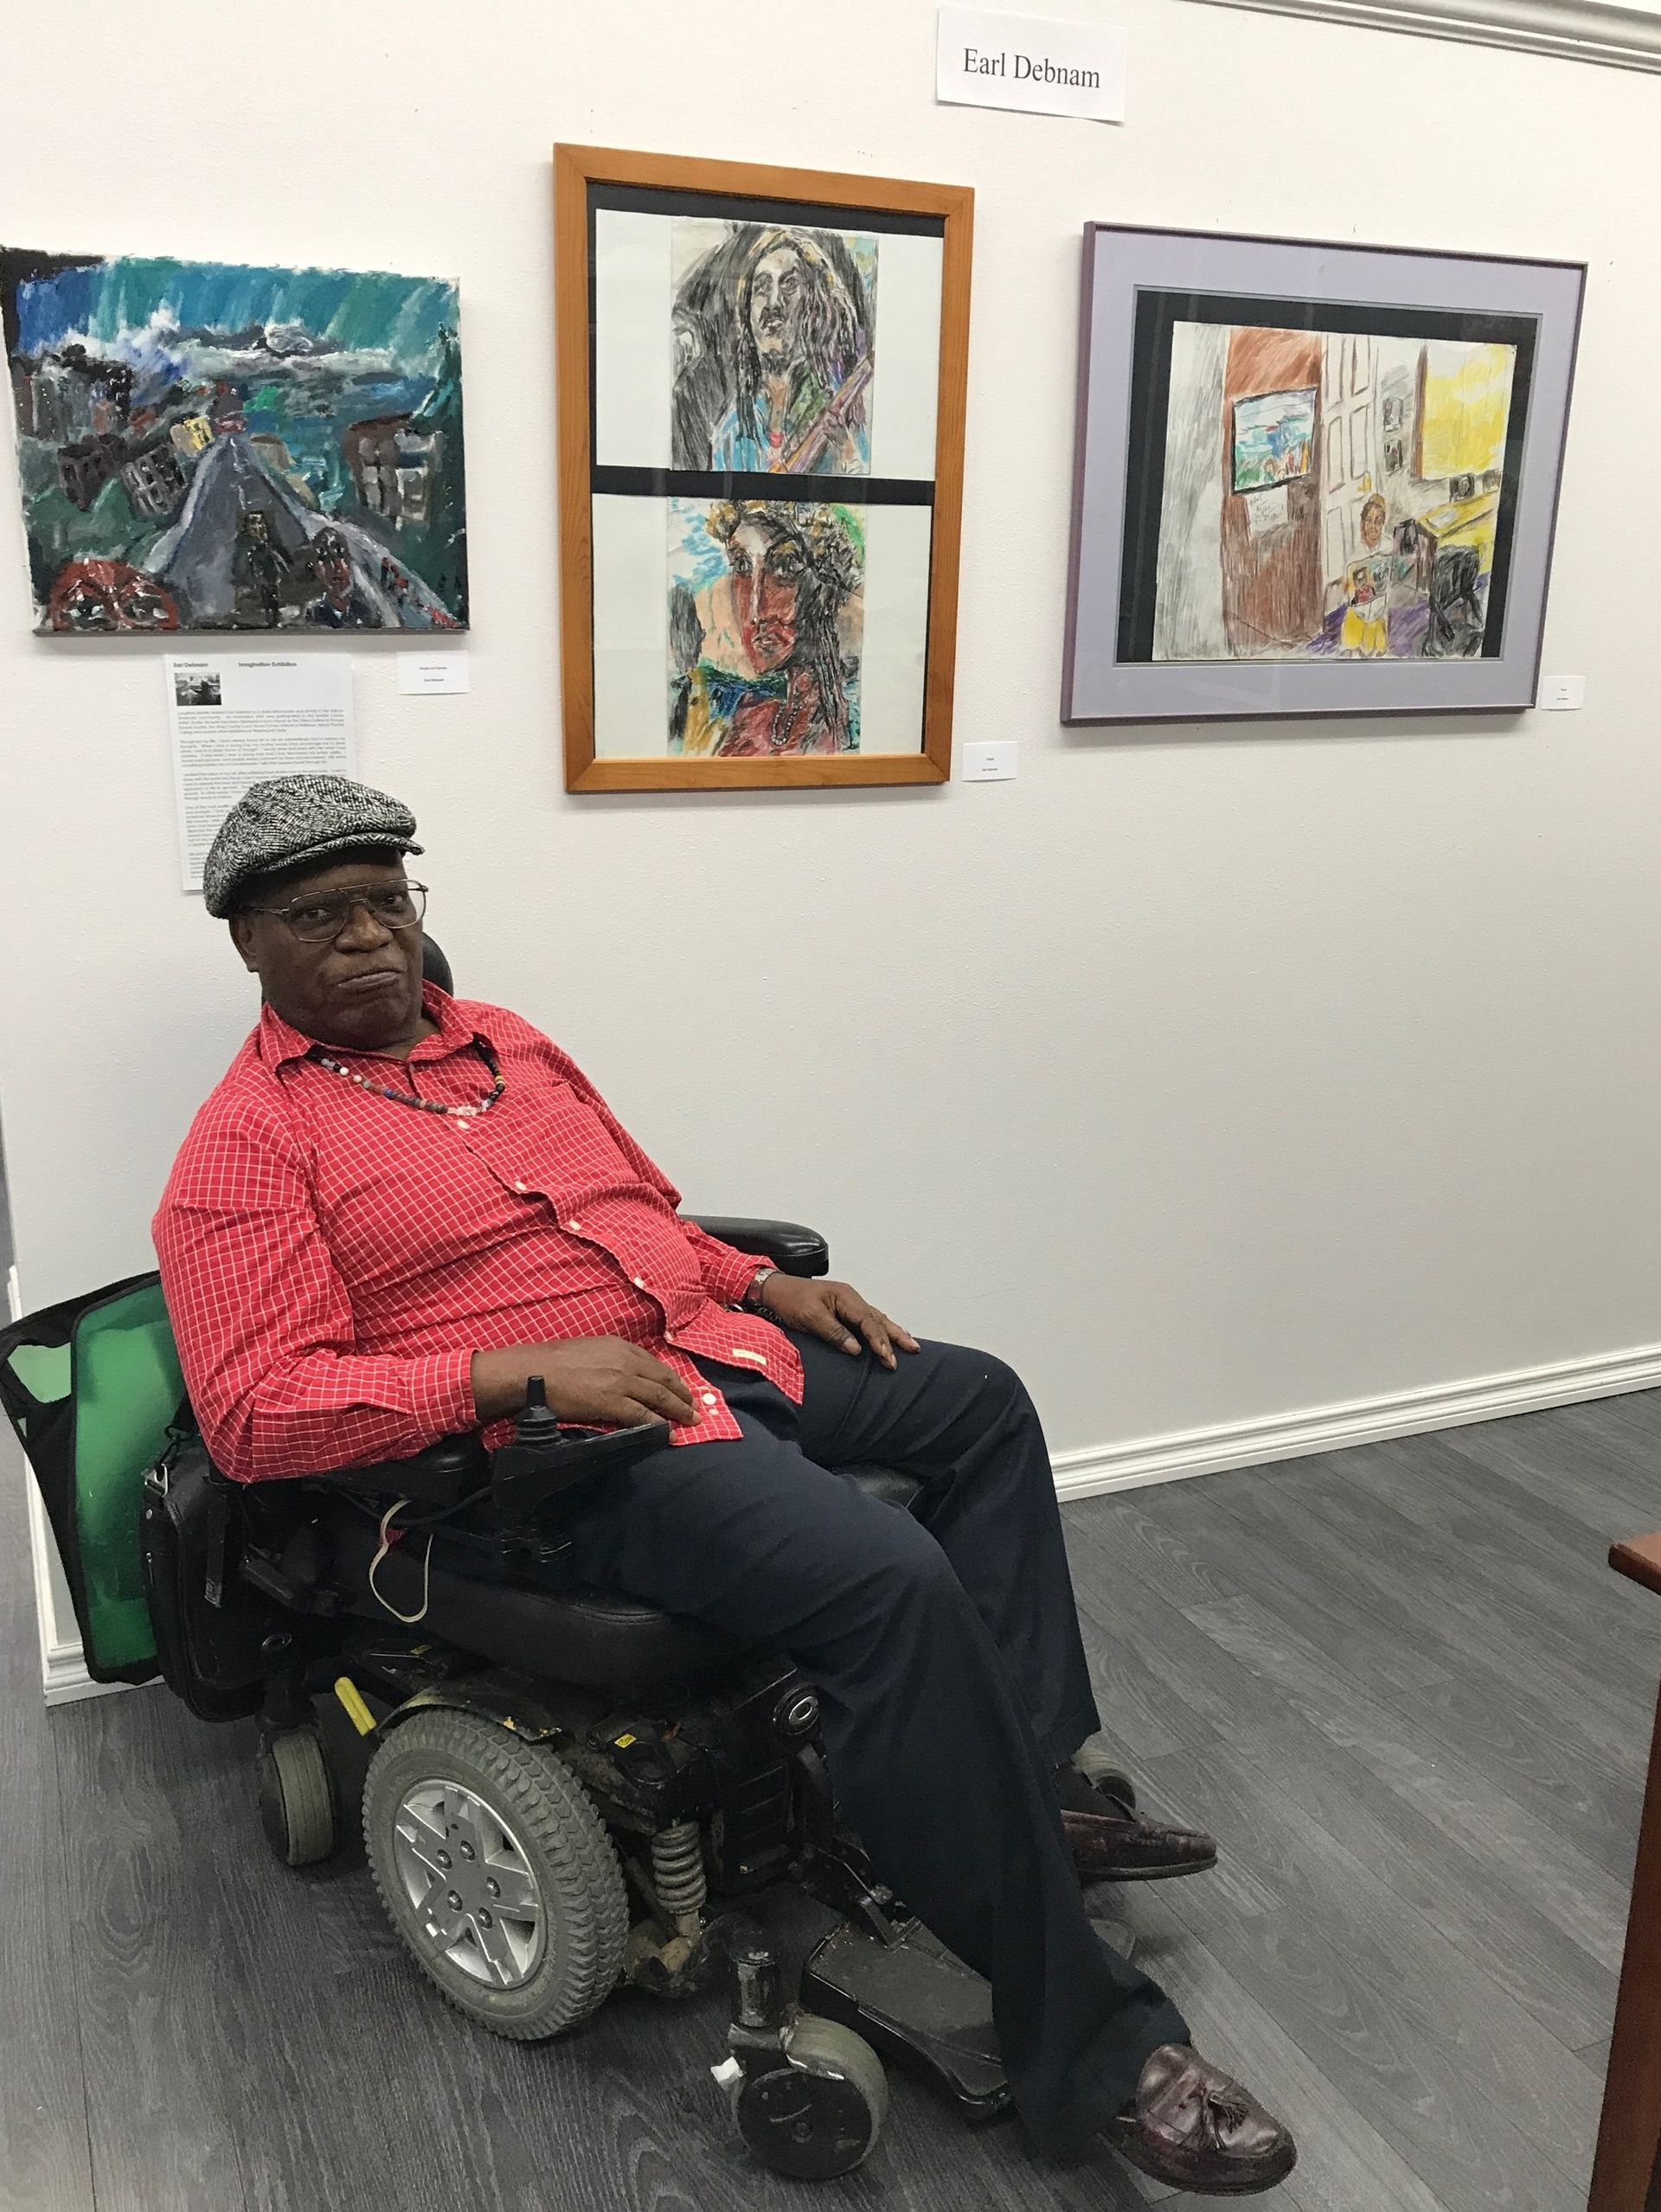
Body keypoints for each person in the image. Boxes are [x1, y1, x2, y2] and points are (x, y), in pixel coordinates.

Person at [153, 775, 1298, 2196]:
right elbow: (257, 1412)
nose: (371, 936)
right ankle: (1097, 2048)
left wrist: (768, 1281)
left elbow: (647, 1223)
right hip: (565, 1457)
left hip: (712, 1346)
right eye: (319, 915)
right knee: (887, 1585)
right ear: (247, 942)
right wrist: (511, 1375)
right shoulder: (247, 1151)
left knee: (981, 1400)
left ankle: (1030, 1777)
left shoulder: (510, 1043)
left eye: (390, 899)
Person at [672, 501, 859, 757]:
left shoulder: (853, 722)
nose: (757, 609)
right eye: (742, 566)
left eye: (786, 567)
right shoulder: (751, 717)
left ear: (824, 587)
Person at [704, 228, 870, 476]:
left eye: (790, 284)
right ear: (747, 315)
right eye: (761, 288)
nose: (773, 303)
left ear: (813, 305)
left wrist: (847, 453)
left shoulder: (844, 409)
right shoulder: (730, 433)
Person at [1339, 493, 1397, 657]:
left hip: (1378, 615)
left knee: (1377, 654)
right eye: (1369, 521)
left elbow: (1392, 579)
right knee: (1355, 655)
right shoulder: (1355, 557)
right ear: (1362, 525)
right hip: (1358, 616)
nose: (1374, 527)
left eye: (1378, 522)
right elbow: (1347, 593)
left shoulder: (1389, 547)